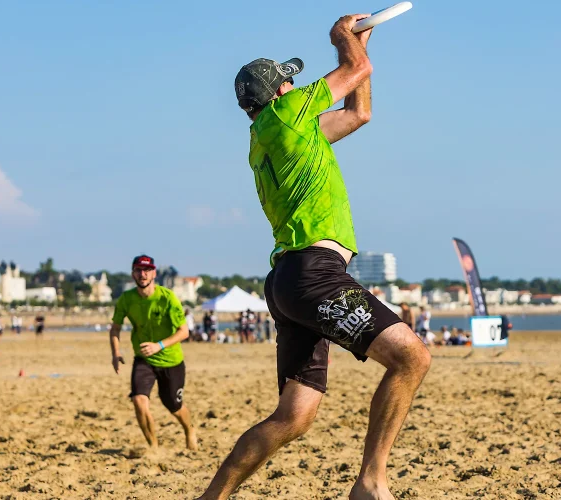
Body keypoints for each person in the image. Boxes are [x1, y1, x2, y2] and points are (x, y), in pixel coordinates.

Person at [198, 15, 431, 500]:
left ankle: (209, 498)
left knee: (293, 417)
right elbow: (353, 67)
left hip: (288, 280)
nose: (298, 83)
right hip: (313, 273)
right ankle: (371, 481)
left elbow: (358, 113)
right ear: (282, 92)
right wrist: (345, 38)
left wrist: (361, 52)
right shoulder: (289, 114)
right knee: (411, 356)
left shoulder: (274, 133)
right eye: (291, 80)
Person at [109, 255, 197, 451]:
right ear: (133, 274)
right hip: (144, 359)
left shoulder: (167, 298)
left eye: (147, 270)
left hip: (171, 360)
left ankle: (190, 430)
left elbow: (184, 332)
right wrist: (115, 354)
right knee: (139, 400)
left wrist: (160, 345)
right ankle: (153, 447)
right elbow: (115, 328)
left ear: (154, 273)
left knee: (174, 406)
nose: (143, 274)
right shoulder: (127, 299)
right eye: (138, 270)